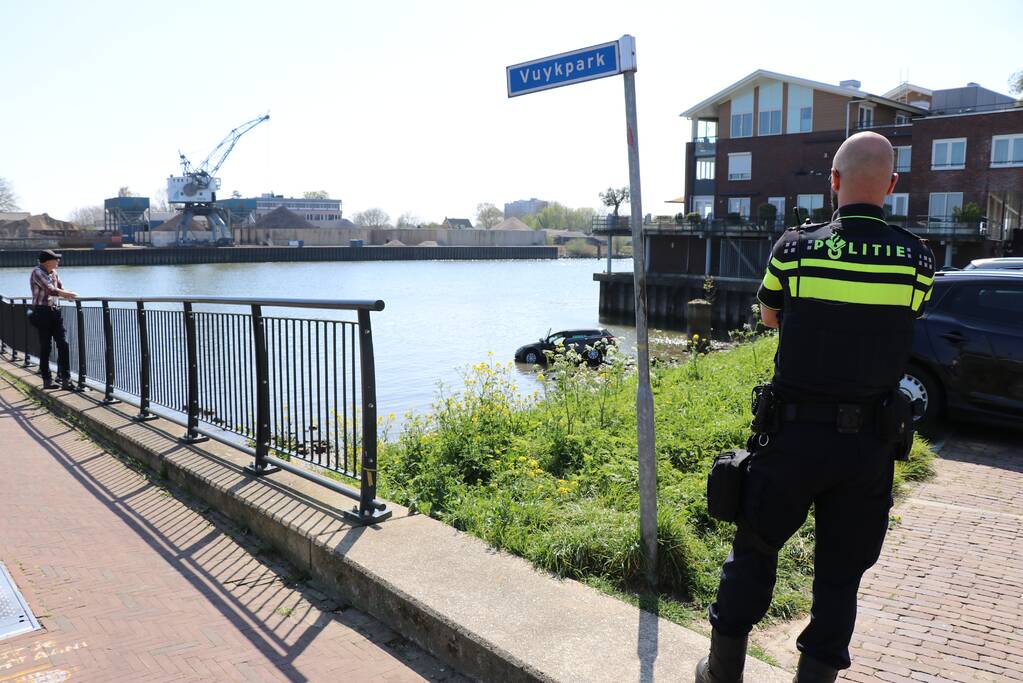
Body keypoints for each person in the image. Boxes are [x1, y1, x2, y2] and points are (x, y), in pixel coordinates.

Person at [696, 132, 935, 683]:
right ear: (892, 187)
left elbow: (770, 316)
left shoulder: (796, 248)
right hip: (868, 445)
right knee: (840, 574)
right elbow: (907, 317)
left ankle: (722, 670)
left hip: (793, 436)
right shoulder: (917, 259)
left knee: (754, 549)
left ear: (833, 180)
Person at [29, 249, 78, 389]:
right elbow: (50, 289)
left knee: (63, 344)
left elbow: (60, 288)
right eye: (55, 259)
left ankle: (65, 378)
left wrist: (68, 294)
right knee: (46, 346)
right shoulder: (37, 272)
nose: (58, 261)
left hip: (55, 311)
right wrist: (68, 294)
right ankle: (47, 380)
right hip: (42, 312)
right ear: (47, 261)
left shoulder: (54, 273)